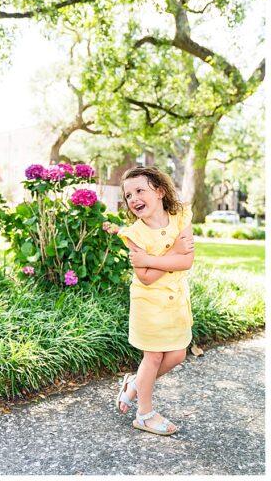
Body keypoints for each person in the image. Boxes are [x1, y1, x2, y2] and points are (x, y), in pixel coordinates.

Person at [103, 166, 194, 436]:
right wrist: (171, 256)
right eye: (128, 195)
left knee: (177, 354)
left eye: (139, 190)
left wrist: (154, 260)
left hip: (176, 301)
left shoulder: (180, 217)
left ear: (160, 191)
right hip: (148, 303)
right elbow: (144, 277)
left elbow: (186, 260)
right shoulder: (134, 234)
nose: (133, 199)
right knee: (153, 356)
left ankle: (134, 382)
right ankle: (144, 413)